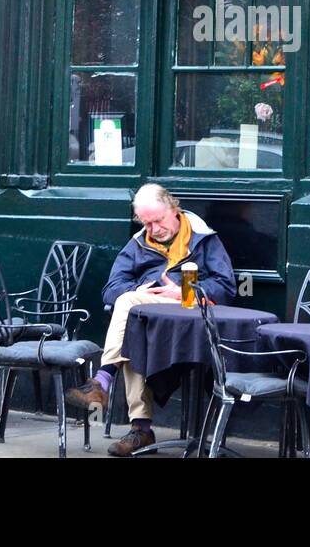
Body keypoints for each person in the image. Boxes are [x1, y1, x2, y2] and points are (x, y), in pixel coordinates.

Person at [65, 183, 237, 456]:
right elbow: (110, 289)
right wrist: (137, 290)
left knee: (128, 306)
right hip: (148, 322)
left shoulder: (203, 238)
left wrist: (182, 291)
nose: (154, 229)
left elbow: (226, 287)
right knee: (131, 330)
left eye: (158, 220)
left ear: (174, 209)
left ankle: (102, 380)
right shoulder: (137, 244)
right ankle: (141, 430)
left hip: (190, 322)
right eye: (147, 223)